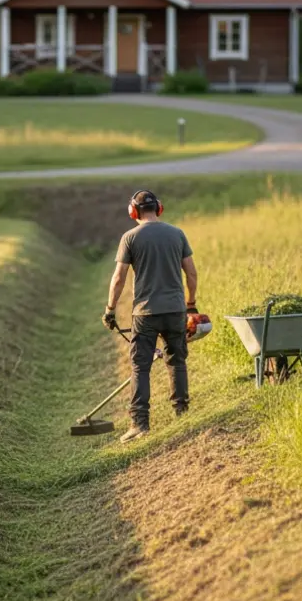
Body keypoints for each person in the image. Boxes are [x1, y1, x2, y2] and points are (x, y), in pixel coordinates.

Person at [103, 190, 198, 443]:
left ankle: (139, 424)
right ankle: (182, 414)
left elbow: (119, 278)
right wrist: (190, 304)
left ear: (133, 212)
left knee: (140, 366)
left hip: (145, 313)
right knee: (176, 361)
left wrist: (110, 310)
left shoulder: (130, 237)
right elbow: (191, 273)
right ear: (158, 207)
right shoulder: (177, 234)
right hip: (176, 310)